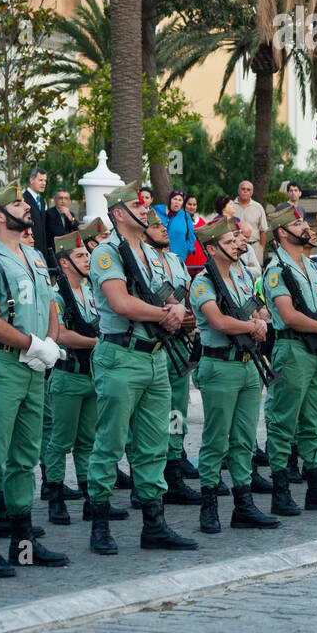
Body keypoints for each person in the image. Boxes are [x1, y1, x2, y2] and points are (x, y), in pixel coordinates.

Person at [84, 182, 197, 556]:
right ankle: (99, 523)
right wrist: (168, 314)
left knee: (153, 445)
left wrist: (178, 311)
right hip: (121, 356)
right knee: (110, 443)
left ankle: (154, 524)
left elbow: (166, 295)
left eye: (146, 203)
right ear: (118, 213)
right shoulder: (106, 252)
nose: (146, 208)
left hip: (155, 357)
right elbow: (120, 302)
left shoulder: (150, 254)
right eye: (137, 203)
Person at [0, 183, 70, 577]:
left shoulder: (33, 256)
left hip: (32, 367)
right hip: (3, 367)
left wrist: (50, 342)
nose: (26, 208)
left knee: (25, 459)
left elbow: (49, 306)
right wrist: (32, 345)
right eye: (17, 204)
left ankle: (22, 548)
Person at [188, 219, 279, 534]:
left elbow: (252, 310)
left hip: (247, 364)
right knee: (216, 439)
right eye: (229, 242)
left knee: (244, 439)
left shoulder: (242, 275)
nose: (237, 245)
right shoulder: (203, 282)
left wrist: (258, 318)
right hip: (220, 365)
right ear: (211, 248)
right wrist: (252, 327)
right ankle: (208, 504)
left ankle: (244, 504)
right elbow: (219, 322)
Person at [262, 207, 317, 515]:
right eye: (298, 223)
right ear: (282, 234)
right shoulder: (277, 269)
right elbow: (287, 315)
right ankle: (280, 489)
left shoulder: (313, 268)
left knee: (314, 420)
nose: (306, 227)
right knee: (284, 420)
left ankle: (316, 488)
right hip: (293, 350)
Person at [44, 232, 128, 529]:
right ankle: (54, 496)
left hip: (93, 377)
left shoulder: (93, 290)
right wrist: (100, 344)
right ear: (64, 263)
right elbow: (61, 334)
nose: (87, 259)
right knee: (59, 442)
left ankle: (91, 499)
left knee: (88, 443)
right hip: (68, 377)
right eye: (80, 256)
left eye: (87, 254)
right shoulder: (56, 295)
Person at [141, 209, 201, 504]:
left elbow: (188, 296)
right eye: (155, 226)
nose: (163, 230)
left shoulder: (176, 261)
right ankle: (147, 477)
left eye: (163, 225)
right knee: (151, 414)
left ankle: (174, 464)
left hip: (178, 344)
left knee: (177, 409)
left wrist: (190, 318)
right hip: (154, 341)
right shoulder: (141, 262)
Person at [155, 189, 196, 264]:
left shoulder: (185, 216)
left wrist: (185, 250)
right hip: (157, 255)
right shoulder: (157, 211)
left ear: (182, 203)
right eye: (175, 199)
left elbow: (191, 236)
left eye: (180, 200)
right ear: (170, 200)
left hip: (178, 257)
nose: (177, 202)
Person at [232, 181, 268, 266]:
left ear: (251, 192)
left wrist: (261, 249)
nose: (245, 191)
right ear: (238, 191)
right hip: (235, 247)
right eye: (243, 189)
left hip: (254, 246)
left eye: (248, 189)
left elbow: (263, 231)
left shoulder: (258, 207)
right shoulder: (230, 206)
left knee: (256, 275)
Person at [22, 166, 50, 261]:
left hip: (42, 251)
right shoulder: (23, 199)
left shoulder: (41, 201)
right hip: (29, 248)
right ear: (31, 180)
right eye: (40, 180)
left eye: (45, 180)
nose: (43, 183)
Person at [44, 189, 79, 257]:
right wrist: (72, 236)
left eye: (66, 198)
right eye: (60, 198)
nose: (63, 201)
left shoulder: (70, 214)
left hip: (68, 250)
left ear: (69, 201)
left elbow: (78, 229)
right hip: (54, 251)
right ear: (54, 200)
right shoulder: (49, 213)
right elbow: (57, 233)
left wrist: (70, 218)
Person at [183, 194, 207, 274]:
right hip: (186, 264)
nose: (192, 207)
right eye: (189, 204)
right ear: (184, 205)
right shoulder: (179, 221)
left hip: (201, 265)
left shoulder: (201, 221)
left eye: (194, 205)